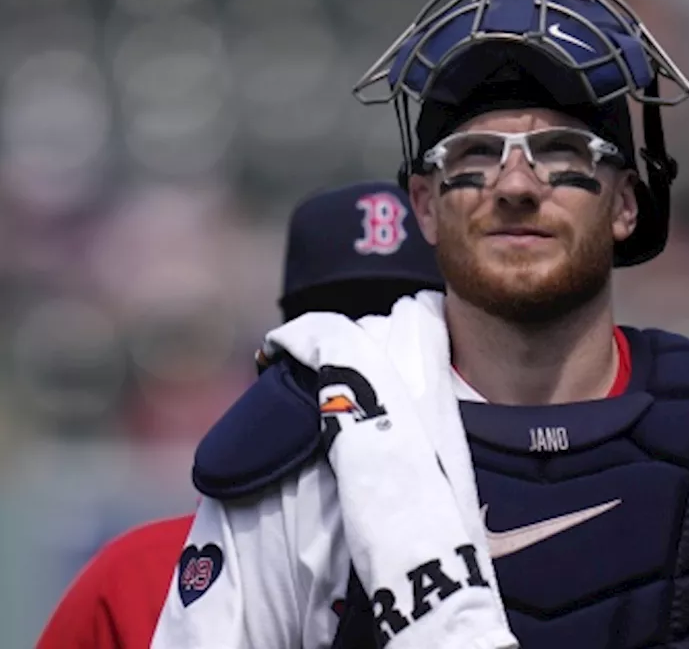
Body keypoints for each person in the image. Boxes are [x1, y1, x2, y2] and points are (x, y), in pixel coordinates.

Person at [151, 0, 689, 649]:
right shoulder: (313, 440)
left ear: (626, 204)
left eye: (559, 151)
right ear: (424, 205)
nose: (516, 184)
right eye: (476, 155)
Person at [35, 181, 444, 649]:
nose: (362, 367)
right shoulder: (137, 577)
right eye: (332, 339)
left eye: (402, 337)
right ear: (274, 362)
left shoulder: (522, 558)